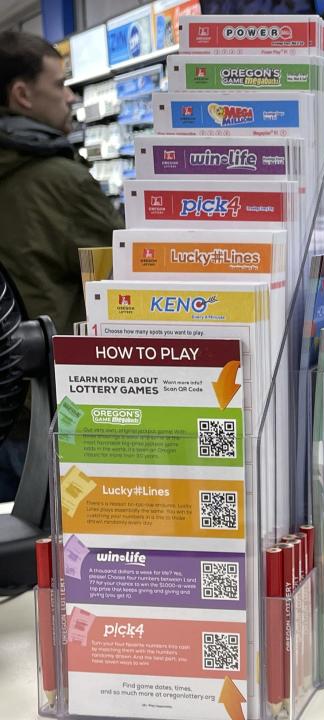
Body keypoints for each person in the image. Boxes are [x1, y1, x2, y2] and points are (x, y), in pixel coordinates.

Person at [0, 32, 121, 500]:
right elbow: (124, 274)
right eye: (61, 83)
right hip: (48, 408)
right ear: (22, 94)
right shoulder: (59, 180)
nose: (70, 95)